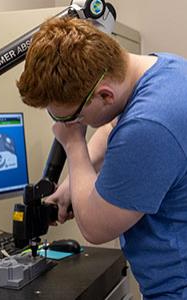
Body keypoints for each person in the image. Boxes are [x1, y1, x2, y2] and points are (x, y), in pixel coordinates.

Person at [17, 16, 187, 299]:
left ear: (105, 95)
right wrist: (74, 182)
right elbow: (113, 125)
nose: (66, 126)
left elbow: (95, 227)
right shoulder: (164, 71)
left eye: (73, 119)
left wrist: (73, 144)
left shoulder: (149, 124)